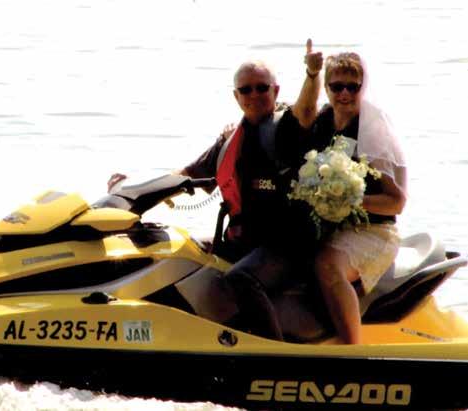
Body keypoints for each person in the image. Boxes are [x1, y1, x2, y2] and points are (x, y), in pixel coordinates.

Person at [107, 43, 324, 340]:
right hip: (243, 241)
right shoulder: (229, 141)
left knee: (241, 277)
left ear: (275, 90)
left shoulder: (286, 128)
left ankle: (272, 351)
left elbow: (307, 109)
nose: (254, 95)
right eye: (246, 90)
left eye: (262, 88)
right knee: (175, 251)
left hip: (285, 245)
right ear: (236, 96)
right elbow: (186, 175)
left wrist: (312, 74)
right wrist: (132, 187)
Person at [287, 51, 408, 344]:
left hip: (373, 230)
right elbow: (299, 113)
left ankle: (353, 348)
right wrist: (311, 74)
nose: (344, 94)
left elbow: (397, 202)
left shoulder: (372, 131)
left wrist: (351, 201)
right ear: (327, 88)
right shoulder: (324, 120)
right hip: (333, 226)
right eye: (337, 86)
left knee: (327, 266)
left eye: (353, 87)